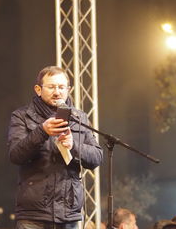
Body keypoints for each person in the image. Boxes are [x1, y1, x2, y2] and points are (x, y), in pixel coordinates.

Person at [8, 66, 103, 229]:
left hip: (68, 212)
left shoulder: (80, 117)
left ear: (69, 89)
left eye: (61, 87)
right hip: (33, 213)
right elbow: (15, 155)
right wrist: (42, 131)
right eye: (51, 87)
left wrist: (74, 146)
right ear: (38, 89)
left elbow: (97, 157)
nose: (57, 92)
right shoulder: (22, 116)